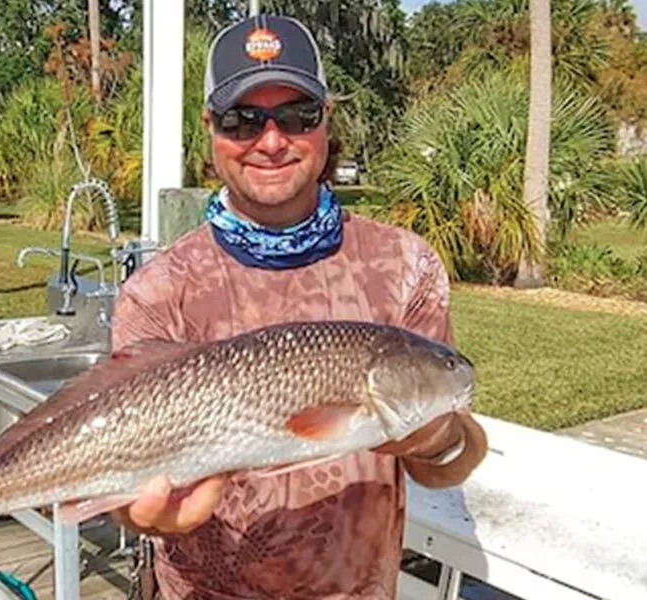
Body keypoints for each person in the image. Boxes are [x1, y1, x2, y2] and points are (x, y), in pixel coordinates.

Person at [110, 14, 488, 600]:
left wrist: (436, 438)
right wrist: (137, 512)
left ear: (326, 119)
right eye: (242, 119)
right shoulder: (157, 290)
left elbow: (452, 458)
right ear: (210, 127)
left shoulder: (405, 266)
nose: (270, 141)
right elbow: (121, 468)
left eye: (296, 115)